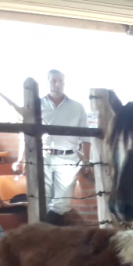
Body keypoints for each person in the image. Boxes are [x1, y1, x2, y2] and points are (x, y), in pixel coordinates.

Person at [14, 69, 90, 226]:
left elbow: (86, 137)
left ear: (65, 82)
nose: (57, 84)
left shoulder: (77, 107)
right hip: (43, 157)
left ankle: (46, 232)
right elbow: (25, 135)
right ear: (47, 82)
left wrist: (87, 160)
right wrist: (21, 159)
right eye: (53, 81)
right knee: (43, 199)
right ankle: (50, 237)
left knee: (63, 203)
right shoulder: (35, 106)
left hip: (69, 157)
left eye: (61, 81)